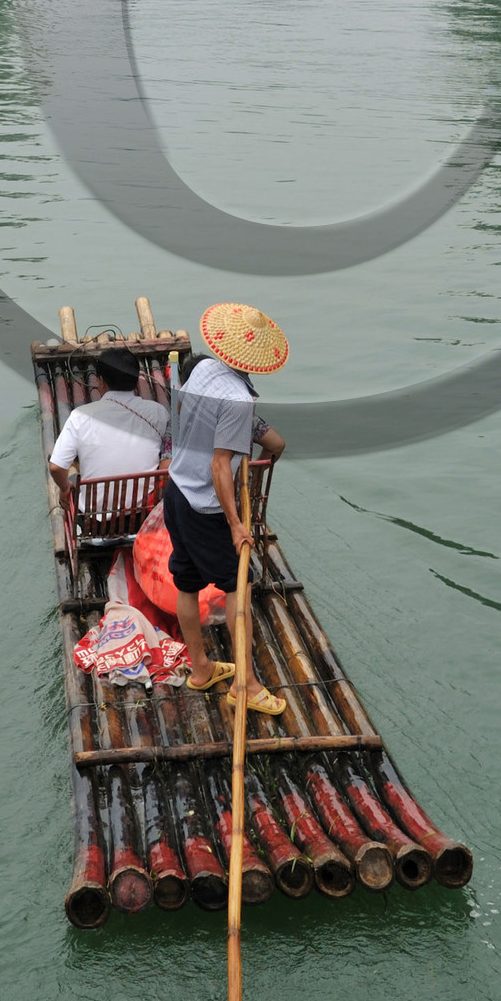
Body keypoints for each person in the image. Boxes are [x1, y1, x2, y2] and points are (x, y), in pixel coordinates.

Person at [164, 302, 288, 713]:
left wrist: (263, 437)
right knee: (239, 589)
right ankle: (247, 685)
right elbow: (220, 465)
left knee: (186, 579)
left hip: (176, 489)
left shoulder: (201, 370)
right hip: (204, 506)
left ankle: (200, 669)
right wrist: (236, 524)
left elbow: (197, 418)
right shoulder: (238, 399)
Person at [48, 351, 169, 493]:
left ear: (101, 381)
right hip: (145, 506)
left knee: (73, 472)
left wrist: (65, 488)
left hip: (97, 513)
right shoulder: (159, 412)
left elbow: (56, 468)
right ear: (137, 381)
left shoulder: (79, 417)